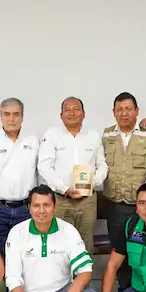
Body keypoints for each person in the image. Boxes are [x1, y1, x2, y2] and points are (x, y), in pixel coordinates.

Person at [101, 92, 146, 292]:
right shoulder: (107, 134)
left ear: (136, 111)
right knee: (119, 249)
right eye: (120, 109)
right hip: (115, 204)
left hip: (141, 207)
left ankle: (144, 289)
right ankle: (124, 290)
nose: (124, 113)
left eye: (128, 109)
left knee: (143, 250)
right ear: (113, 112)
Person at [38, 97, 108, 253]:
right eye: (67, 110)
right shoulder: (52, 135)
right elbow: (44, 166)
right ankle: (62, 278)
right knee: (58, 244)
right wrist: (64, 189)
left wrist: (92, 183)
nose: (72, 113)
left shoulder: (93, 136)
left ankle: (84, 277)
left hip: (87, 201)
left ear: (84, 114)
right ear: (61, 115)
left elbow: (102, 165)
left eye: (76, 109)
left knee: (85, 243)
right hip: (60, 200)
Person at [0, 98, 39, 256]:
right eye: (7, 114)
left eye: (16, 114)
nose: (11, 119)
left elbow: (40, 172)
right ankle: (1, 281)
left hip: (25, 209)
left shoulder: (32, 140)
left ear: (22, 116)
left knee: (27, 253)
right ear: (1, 117)